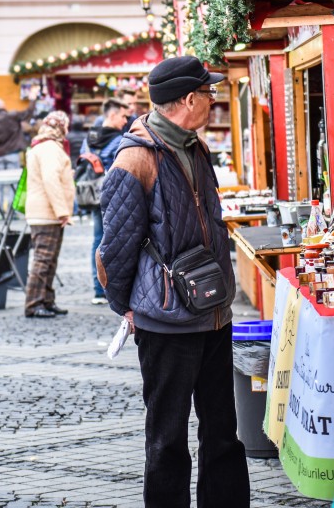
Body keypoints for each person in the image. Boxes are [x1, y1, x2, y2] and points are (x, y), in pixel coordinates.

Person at [96, 56, 248, 507]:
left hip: (214, 314)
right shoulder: (135, 158)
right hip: (166, 324)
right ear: (187, 99)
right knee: (167, 438)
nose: (212, 99)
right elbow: (117, 247)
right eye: (208, 92)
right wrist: (128, 307)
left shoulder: (194, 145)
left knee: (222, 432)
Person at [22, 111, 74, 319]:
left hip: (45, 211)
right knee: (44, 260)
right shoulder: (51, 148)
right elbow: (50, 180)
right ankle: (34, 303)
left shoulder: (41, 146)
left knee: (49, 259)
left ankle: (46, 299)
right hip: (47, 212)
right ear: (62, 127)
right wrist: (62, 212)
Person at [80, 99, 127, 306]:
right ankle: (114, 288)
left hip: (92, 193)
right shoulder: (118, 140)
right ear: (112, 115)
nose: (125, 120)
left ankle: (98, 289)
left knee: (97, 240)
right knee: (116, 241)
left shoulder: (90, 138)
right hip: (112, 196)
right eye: (123, 116)